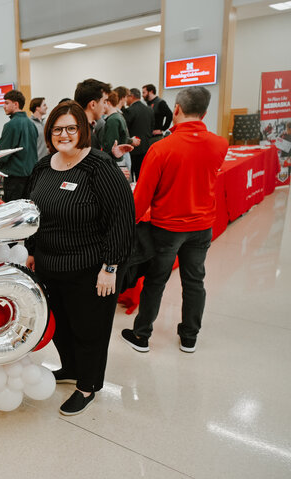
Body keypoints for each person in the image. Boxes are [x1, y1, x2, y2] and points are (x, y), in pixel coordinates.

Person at [24, 100, 134, 415]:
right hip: (49, 266)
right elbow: (34, 213)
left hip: (90, 269)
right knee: (61, 326)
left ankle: (87, 386)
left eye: (71, 127)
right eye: (58, 129)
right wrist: (33, 251)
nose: (64, 134)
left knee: (90, 330)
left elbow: (122, 220)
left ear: (82, 130)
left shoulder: (99, 167)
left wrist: (111, 267)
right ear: (49, 133)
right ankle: (71, 368)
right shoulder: (43, 167)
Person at [122, 86, 228, 354]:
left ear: (177, 109)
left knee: (156, 281)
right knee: (195, 282)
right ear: (205, 113)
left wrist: (126, 224)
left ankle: (141, 334)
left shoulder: (161, 149)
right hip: (202, 226)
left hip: (166, 228)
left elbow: (142, 197)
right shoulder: (220, 144)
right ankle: (189, 337)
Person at [74, 78, 133, 162]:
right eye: (104, 101)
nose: (105, 106)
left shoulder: (84, 129)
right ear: (93, 104)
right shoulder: (84, 134)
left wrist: (112, 154)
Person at [0, 89, 38, 202]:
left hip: (14, 177)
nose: (4, 106)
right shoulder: (32, 124)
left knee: (13, 211)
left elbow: (2, 154)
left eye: (6, 103)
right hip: (31, 175)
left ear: (16, 104)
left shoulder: (10, 125)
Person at [123, 88, 154, 181]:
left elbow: (125, 130)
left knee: (131, 178)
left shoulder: (129, 111)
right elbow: (152, 127)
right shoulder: (149, 110)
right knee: (142, 176)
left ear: (131, 96)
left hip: (132, 148)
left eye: (127, 97)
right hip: (146, 147)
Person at [100, 92, 134, 176]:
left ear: (108, 103)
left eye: (104, 102)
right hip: (119, 160)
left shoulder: (113, 120)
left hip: (114, 161)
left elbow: (110, 145)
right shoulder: (118, 116)